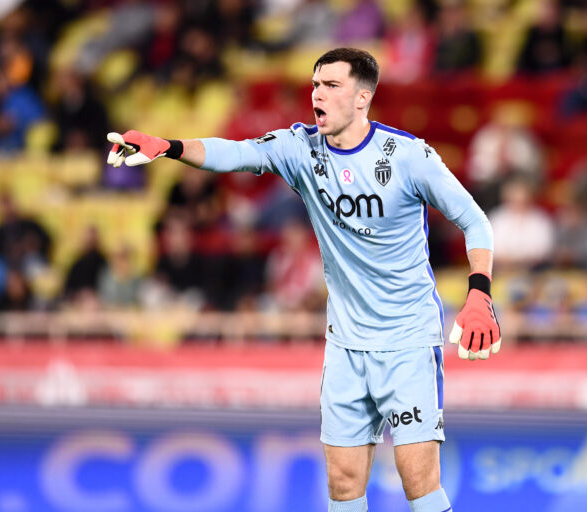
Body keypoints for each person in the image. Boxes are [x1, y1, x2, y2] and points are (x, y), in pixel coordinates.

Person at [107, 48, 500, 512]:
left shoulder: (408, 156)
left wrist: (479, 292)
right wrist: (169, 146)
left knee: (419, 483)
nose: (317, 95)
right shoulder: (301, 149)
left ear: (362, 98)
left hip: (407, 340)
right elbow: (235, 153)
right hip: (345, 344)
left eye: (331, 86)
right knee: (343, 483)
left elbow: (476, 222)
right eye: (315, 85)